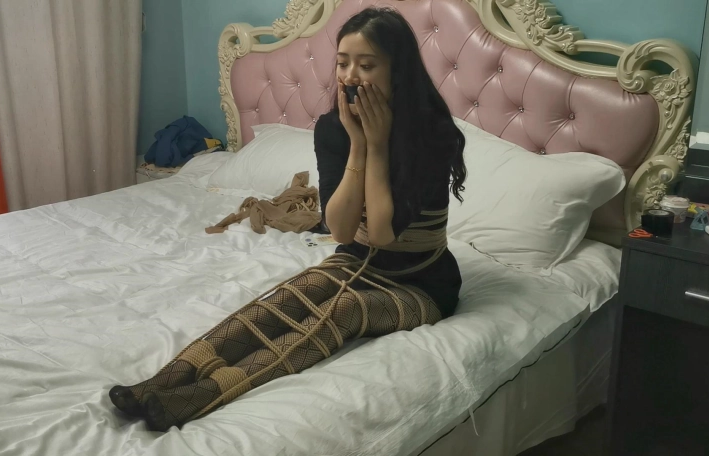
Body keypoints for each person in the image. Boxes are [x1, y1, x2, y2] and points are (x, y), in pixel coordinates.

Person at [108, 7, 466, 432]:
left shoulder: (432, 133)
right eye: (343, 63)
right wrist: (357, 144)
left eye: (367, 65)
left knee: (343, 310)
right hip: (358, 261)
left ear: (398, 71)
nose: (350, 76)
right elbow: (341, 231)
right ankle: (160, 383)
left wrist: (378, 145)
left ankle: (201, 394)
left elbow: (383, 233)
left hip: (423, 284)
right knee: (285, 300)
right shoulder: (334, 129)